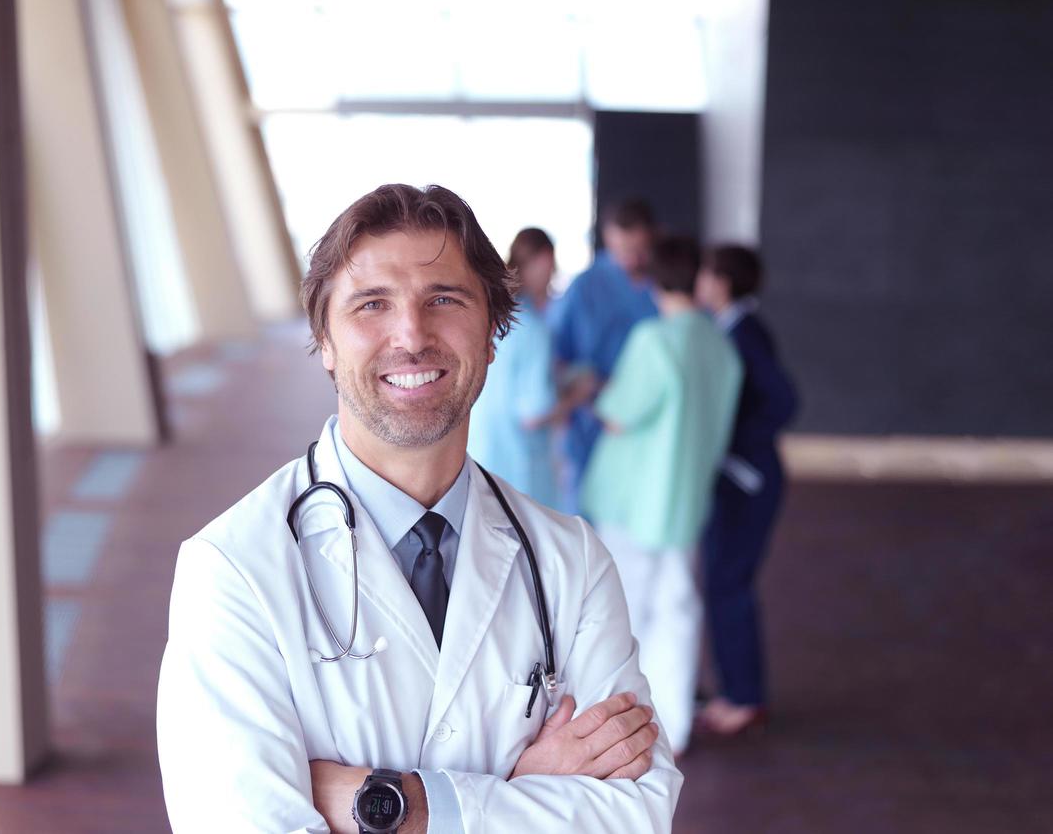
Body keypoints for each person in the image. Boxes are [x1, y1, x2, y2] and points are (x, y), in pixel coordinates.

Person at [157, 185, 681, 833]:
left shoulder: (569, 559)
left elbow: (636, 815)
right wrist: (522, 795)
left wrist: (395, 806)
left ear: (493, 333)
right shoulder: (232, 569)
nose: (410, 335)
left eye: (444, 300)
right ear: (323, 341)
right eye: (371, 304)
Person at [581, 235, 742, 757]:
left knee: (621, 614)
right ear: (699, 278)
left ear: (651, 279)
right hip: (686, 499)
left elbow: (618, 414)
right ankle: (672, 726)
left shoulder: (654, 339)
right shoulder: (718, 344)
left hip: (636, 500)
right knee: (677, 610)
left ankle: (622, 732)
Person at [694, 245, 799, 738]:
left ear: (724, 282)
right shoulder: (728, 328)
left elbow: (783, 401)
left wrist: (730, 441)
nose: (699, 282)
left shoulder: (744, 332)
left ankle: (745, 697)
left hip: (748, 481)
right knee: (722, 581)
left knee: (728, 583)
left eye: (707, 274)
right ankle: (737, 689)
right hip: (738, 477)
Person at [551, 200, 658, 515]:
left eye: (639, 249)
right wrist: (583, 387)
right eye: (623, 249)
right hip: (591, 421)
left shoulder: (663, 284)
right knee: (586, 518)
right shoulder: (585, 287)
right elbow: (559, 356)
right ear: (609, 239)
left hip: (646, 420)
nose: (631, 258)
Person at [467, 227, 561, 509]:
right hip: (519, 470)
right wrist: (575, 396)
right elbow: (534, 413)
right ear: (544, 260)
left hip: (478, 457)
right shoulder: (531, 326)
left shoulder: (489, 314)